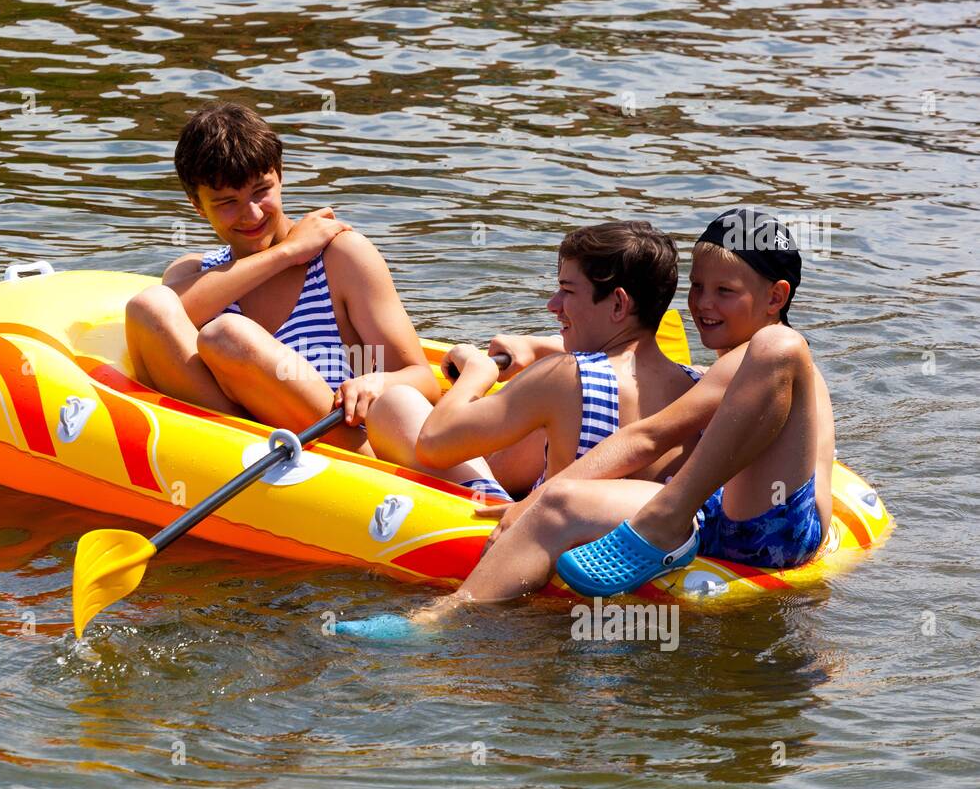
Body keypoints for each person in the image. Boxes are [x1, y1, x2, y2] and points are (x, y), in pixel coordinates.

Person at [337, 208, 832, 638]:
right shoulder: (711, 375)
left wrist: (528, 497)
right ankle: (445, 615)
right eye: (697, 287)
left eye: (724, 291)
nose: (702, 304)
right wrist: (541, 346)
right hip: (726, 519)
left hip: (760, 526)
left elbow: (647, 435)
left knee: (781, 346)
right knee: (557, 498)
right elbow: (645, 366)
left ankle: (662, 521)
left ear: (776, 298)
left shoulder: (775, 354)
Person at [124, 101, 438, 455]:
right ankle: (240, 454)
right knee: (150, 305)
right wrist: (286, 253)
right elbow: (155, 316)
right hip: (245, 449)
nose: (252, 213)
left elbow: (423, 380)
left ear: (280, 174)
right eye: (227, 201)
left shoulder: (340, 257)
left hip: (348, 450)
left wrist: (377, 381)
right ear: (197, 205)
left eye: (261, 190)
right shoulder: (196, 273)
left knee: (228, 335)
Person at [363, 220, 700, 509]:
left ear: (618, 304)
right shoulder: (699, 387)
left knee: (395, 403)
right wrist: (538, 347)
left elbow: (433, 443)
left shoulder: (566, 378)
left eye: (567, 291)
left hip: (540, 538)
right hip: (633, 542)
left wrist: (476, 374)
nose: (554, 305)